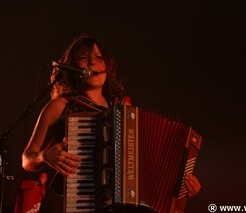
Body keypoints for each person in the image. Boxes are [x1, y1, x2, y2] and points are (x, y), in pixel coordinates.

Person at [22, 34, 201, 213]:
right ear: (72, 67)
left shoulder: (124, 108)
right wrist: (44, 156)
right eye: (84, 58)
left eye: (98, 57)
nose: (92, 63)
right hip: (84, 204)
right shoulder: (60, 106)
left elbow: (144, 171)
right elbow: (26, 159)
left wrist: (181, 186)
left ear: (107, 67)